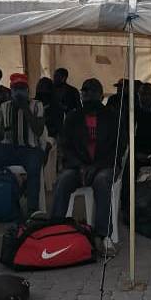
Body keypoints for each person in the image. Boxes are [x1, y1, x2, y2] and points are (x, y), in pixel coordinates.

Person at [51, 79, 122, 255]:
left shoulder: (112, 117)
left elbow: (118, 148)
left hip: (104, 166)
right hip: (79, 167)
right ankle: (54, 230)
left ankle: (103, 236)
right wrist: (80, 166)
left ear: (101, 94)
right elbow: (66, 147)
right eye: (84, 91)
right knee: (63, 180)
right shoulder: (73, 118)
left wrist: (96, 166)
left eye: (91, 91)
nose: (87, 95)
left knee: (102, 180)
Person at [0, 73, 45, 226]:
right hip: (7, 148)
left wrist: (25, 109)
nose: (19, 92)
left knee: (34, 168)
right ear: (11, 90)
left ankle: (32, 211)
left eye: (22, 88)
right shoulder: (4, 107)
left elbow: (38, 130)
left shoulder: (37, 105)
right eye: (16, 89)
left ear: (27, 90)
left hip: (29, 149)